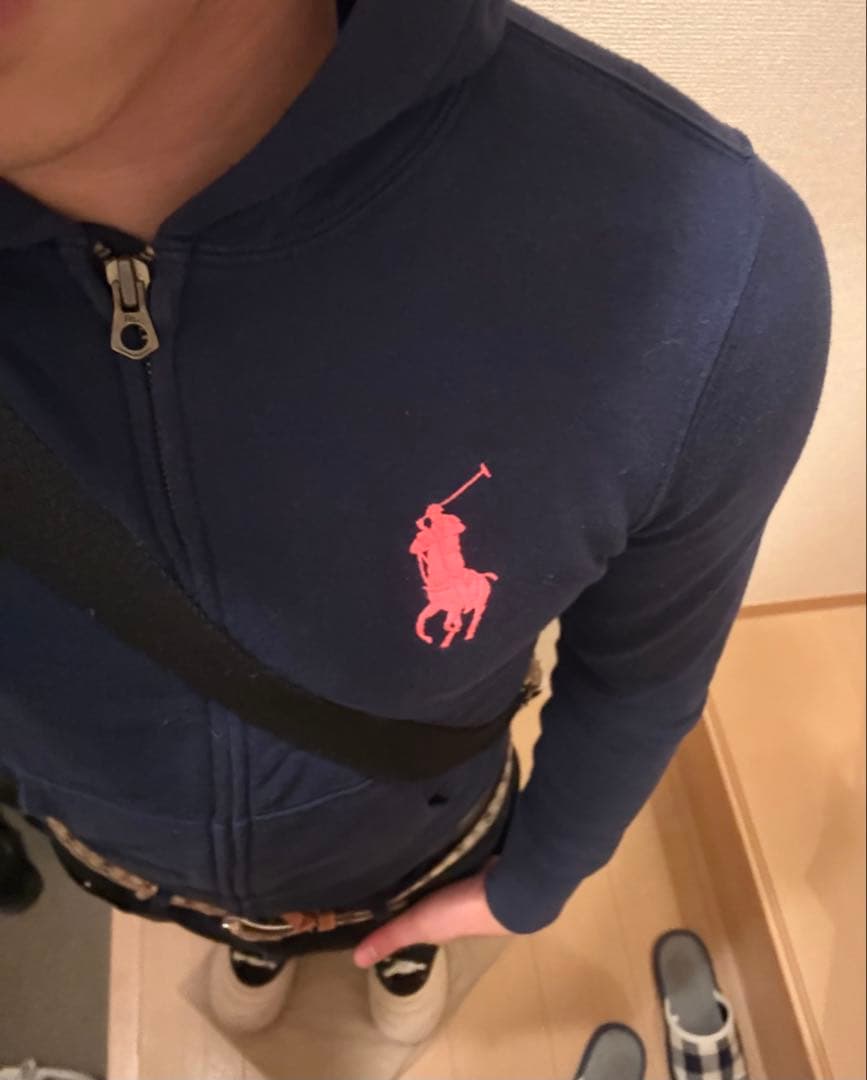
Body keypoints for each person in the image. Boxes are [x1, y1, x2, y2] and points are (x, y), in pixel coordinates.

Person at [0, 0, 831, 1044]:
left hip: (425, 835)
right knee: (243, 932)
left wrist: (539, 875)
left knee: (404, 919)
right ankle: (254, 943)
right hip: (116, 850)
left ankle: (401, 953)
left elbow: (642, 674)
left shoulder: (707, 265)